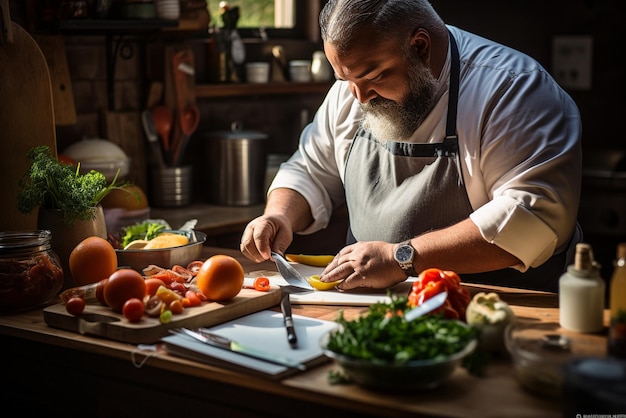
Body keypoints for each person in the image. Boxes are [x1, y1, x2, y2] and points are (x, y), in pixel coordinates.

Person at [240, 0, 582, 293]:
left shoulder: (512, 90)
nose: (359, 97)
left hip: (500, 306)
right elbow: (310, 169)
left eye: (373, 77)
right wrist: (279, 215)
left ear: (420, 46)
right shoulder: (354, 88)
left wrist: (402, 257)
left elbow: (531, 217)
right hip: (377, 310)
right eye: (346, 80)